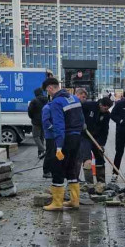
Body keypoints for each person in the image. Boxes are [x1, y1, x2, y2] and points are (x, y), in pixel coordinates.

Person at [41, 78, 85, 211]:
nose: (47, 93)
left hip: (65, 139)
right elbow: (82, 120)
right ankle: (74, 201)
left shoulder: (56, 102)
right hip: (77, 138)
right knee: (71, 167)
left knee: (57, 167)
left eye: (47, 91)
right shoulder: (74, 98)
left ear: (49, 88)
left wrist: (59, 147)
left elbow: (59, 125)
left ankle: (57, 203)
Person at [81, 96, 114, 184]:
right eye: (105, 108)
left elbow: (105, 130)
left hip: (97, 138)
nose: (105, 110)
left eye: (108, 108)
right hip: (85, 136)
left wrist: (102, 144)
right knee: (87, 161)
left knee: (100, 159)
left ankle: (101, 183)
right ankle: (90, 184)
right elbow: (77, 111)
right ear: (100, 104)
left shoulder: (107, 115)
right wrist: (81, 122)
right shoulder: (89, 105)